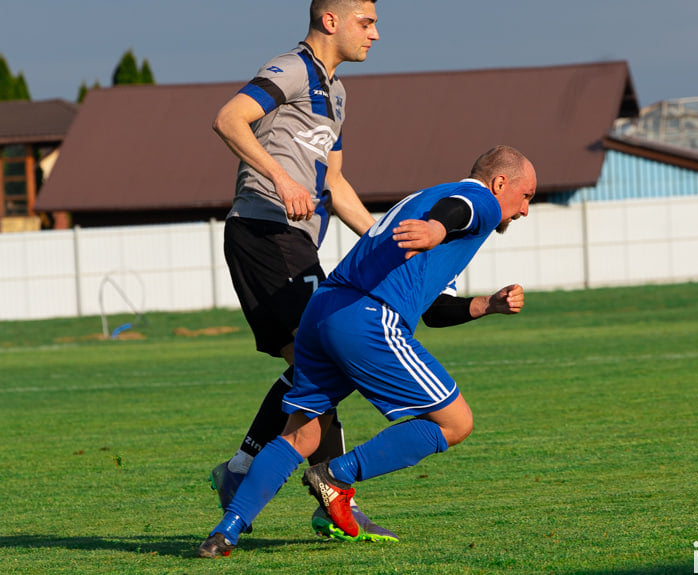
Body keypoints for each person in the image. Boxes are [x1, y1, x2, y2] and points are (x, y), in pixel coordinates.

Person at [197, 145, 537, 558]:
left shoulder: (424, 197)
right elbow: (460, 208)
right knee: (456, 423)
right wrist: (437, 230)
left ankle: (224, 532)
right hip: (369, 316)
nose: (524, 210)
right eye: (526, 196)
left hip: (324, 312)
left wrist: (487, 304)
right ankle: (336, 475)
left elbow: (436, 311)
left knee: (302, 433)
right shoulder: (476, 200)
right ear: (500, 182)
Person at [210, 0, 392, 540]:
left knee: (317, 364)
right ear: (330, 21)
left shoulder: (336, 93)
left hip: (294, 243)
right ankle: (331, 497)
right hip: (264, 233)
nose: (376, 35)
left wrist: (389, 242)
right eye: (367, 22)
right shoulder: (291, 69)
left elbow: (334, 184)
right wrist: (280, 179)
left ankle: (241, 472)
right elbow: (228, 119)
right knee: (329, 356)